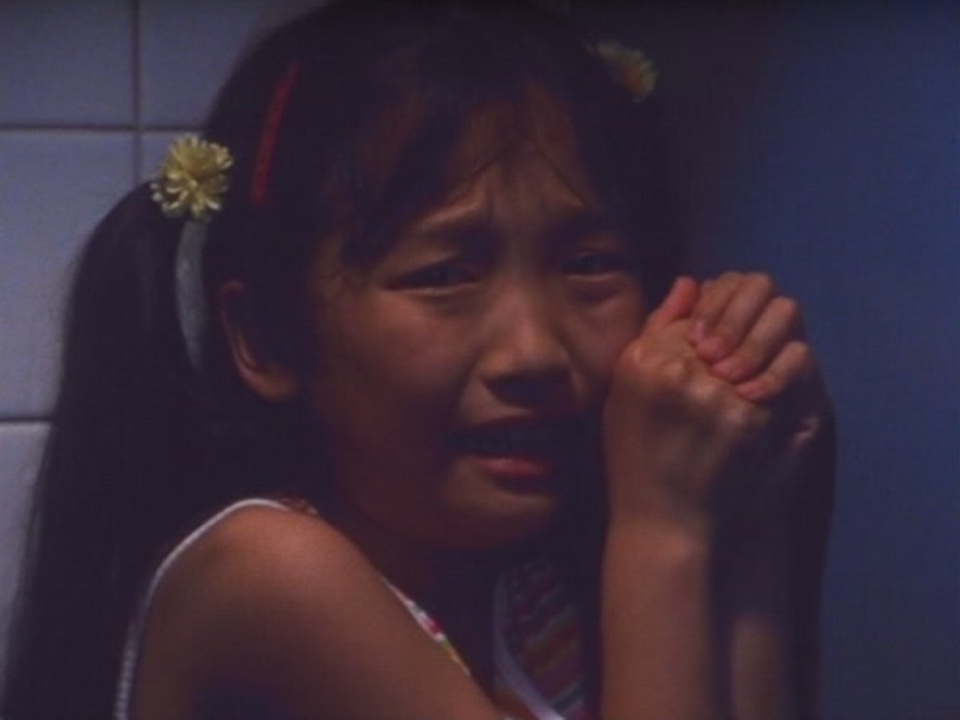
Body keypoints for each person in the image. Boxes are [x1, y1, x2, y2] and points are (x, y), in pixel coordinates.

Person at [1, 1, 834, 719]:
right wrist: (666, 530)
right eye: (443, 275)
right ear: (266, 336)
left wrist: (748, 506)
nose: (535, 351)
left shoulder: (526, 598)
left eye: (589, 264)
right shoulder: (270, 571)